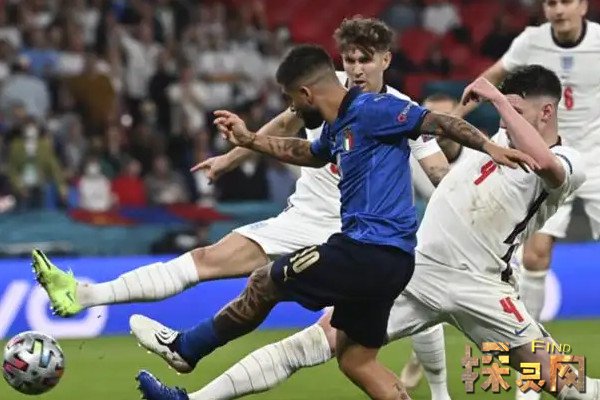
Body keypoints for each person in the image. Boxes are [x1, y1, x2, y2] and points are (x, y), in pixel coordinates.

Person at [32, 18, 454, 397]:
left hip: (354, 238)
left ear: (386, 60)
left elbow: (438, 171)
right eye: (350, 59)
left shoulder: (399, 111)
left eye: (366, 60)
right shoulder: (325, 87)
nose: (357, 69)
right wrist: (231, 157)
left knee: (328, 346)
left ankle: (439, 392)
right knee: (210, 260)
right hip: (305, 218)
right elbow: (286, 127)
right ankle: (87, 296)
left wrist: (470, 203)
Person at [134, 65, 600, 400]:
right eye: (504, 109)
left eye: (516, 110)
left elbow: (545, 164)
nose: (504, 119)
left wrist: (496, 97)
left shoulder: (570, 161)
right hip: (417, 272)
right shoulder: (496, 141)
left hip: (480, 286)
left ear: (546, 112)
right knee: (317, 345)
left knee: (564, 384)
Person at [453, 9, 600, 398]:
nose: (558, 9)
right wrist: (446, 120)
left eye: (566, 1)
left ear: (582, 6)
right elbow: (489, 80)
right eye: (551, 2)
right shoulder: (531, 41)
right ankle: (531, 374)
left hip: (598, 157)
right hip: (548, 153)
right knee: (534, 256)